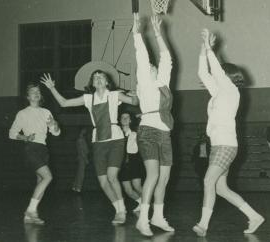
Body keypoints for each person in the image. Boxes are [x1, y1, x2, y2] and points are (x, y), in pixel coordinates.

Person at [40, 70, 138, 225]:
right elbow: (64, 103)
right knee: (103, 181)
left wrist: (136, 92)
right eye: (95, 77)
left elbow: (134, 102)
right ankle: (118, 208)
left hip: (115, 140)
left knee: (112, 177)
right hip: (98, 141)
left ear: (107, 82)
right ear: (92, 83)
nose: (98, 79)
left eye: (101, 77)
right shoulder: (88, 98)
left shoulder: (114, 95)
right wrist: (52, 88)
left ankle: (121, 211)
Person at [192, 29, 264, 237]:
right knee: (221, 188)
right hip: (217, 145)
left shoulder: (232, 91)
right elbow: (203, 73)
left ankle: (203, 225)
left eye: (222, 74)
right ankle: (254, 216)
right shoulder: (218, 93)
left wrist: (209, 47)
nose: (218, 76)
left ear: (228, 76)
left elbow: (215, 70)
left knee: (207, 181)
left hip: (226, 145)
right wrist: (202, 49)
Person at [132, 14, 175, 237]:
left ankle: (158, 216)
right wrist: (137, 32)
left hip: (165, 132)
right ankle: (142, 219)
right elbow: (141, 55)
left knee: (164, 178)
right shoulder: (145, 82)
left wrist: (159, 34)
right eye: (149, 65)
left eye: (152, 66)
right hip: (147, 131)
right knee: (153, 175)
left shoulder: (162, 82)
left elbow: (166, 58)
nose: (152, 65)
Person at [9, 83, 61, 225]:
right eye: (32, 92)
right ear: (28, 96)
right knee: (48, 177)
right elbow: (12, 133)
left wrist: (55, 124)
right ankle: (30, 210)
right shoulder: (22, 113)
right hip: (31, 149)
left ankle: (31, 215)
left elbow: (56, 133)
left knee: (40, 181)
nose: (36, 93)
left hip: (43, 149)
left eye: (38, 91)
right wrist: (25, 137)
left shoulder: (46, 112)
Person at [118, 111, 144, 215]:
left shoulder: (135, 134)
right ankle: (141, 202)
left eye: (127, 117)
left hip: (134, 163)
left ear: (130, 120)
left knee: (137, 186)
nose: (124, 119)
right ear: (120, 120)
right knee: (128, 190)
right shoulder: (117, 134)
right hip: (122, 165)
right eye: (122, 117)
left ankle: (148, 203)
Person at [72, 127, 89, 193]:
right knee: (81, 174)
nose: (85, 131)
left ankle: (74, 187)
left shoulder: (80, 139)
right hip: (82, 158)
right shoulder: (81, 140)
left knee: (79, 173)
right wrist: (85, 159)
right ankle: (78, 188)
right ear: (81, 131)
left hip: (80, 157)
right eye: (84, 130)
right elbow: (82, 151)